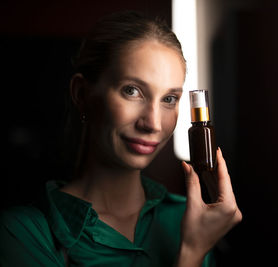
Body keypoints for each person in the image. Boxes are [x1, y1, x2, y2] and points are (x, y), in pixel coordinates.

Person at [0, 10, 242, 267]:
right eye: (132, 91)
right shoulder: (24, 232)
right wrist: (192, 252)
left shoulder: (194, 218)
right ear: (82, 94)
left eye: (169, 99)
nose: (153, 124)